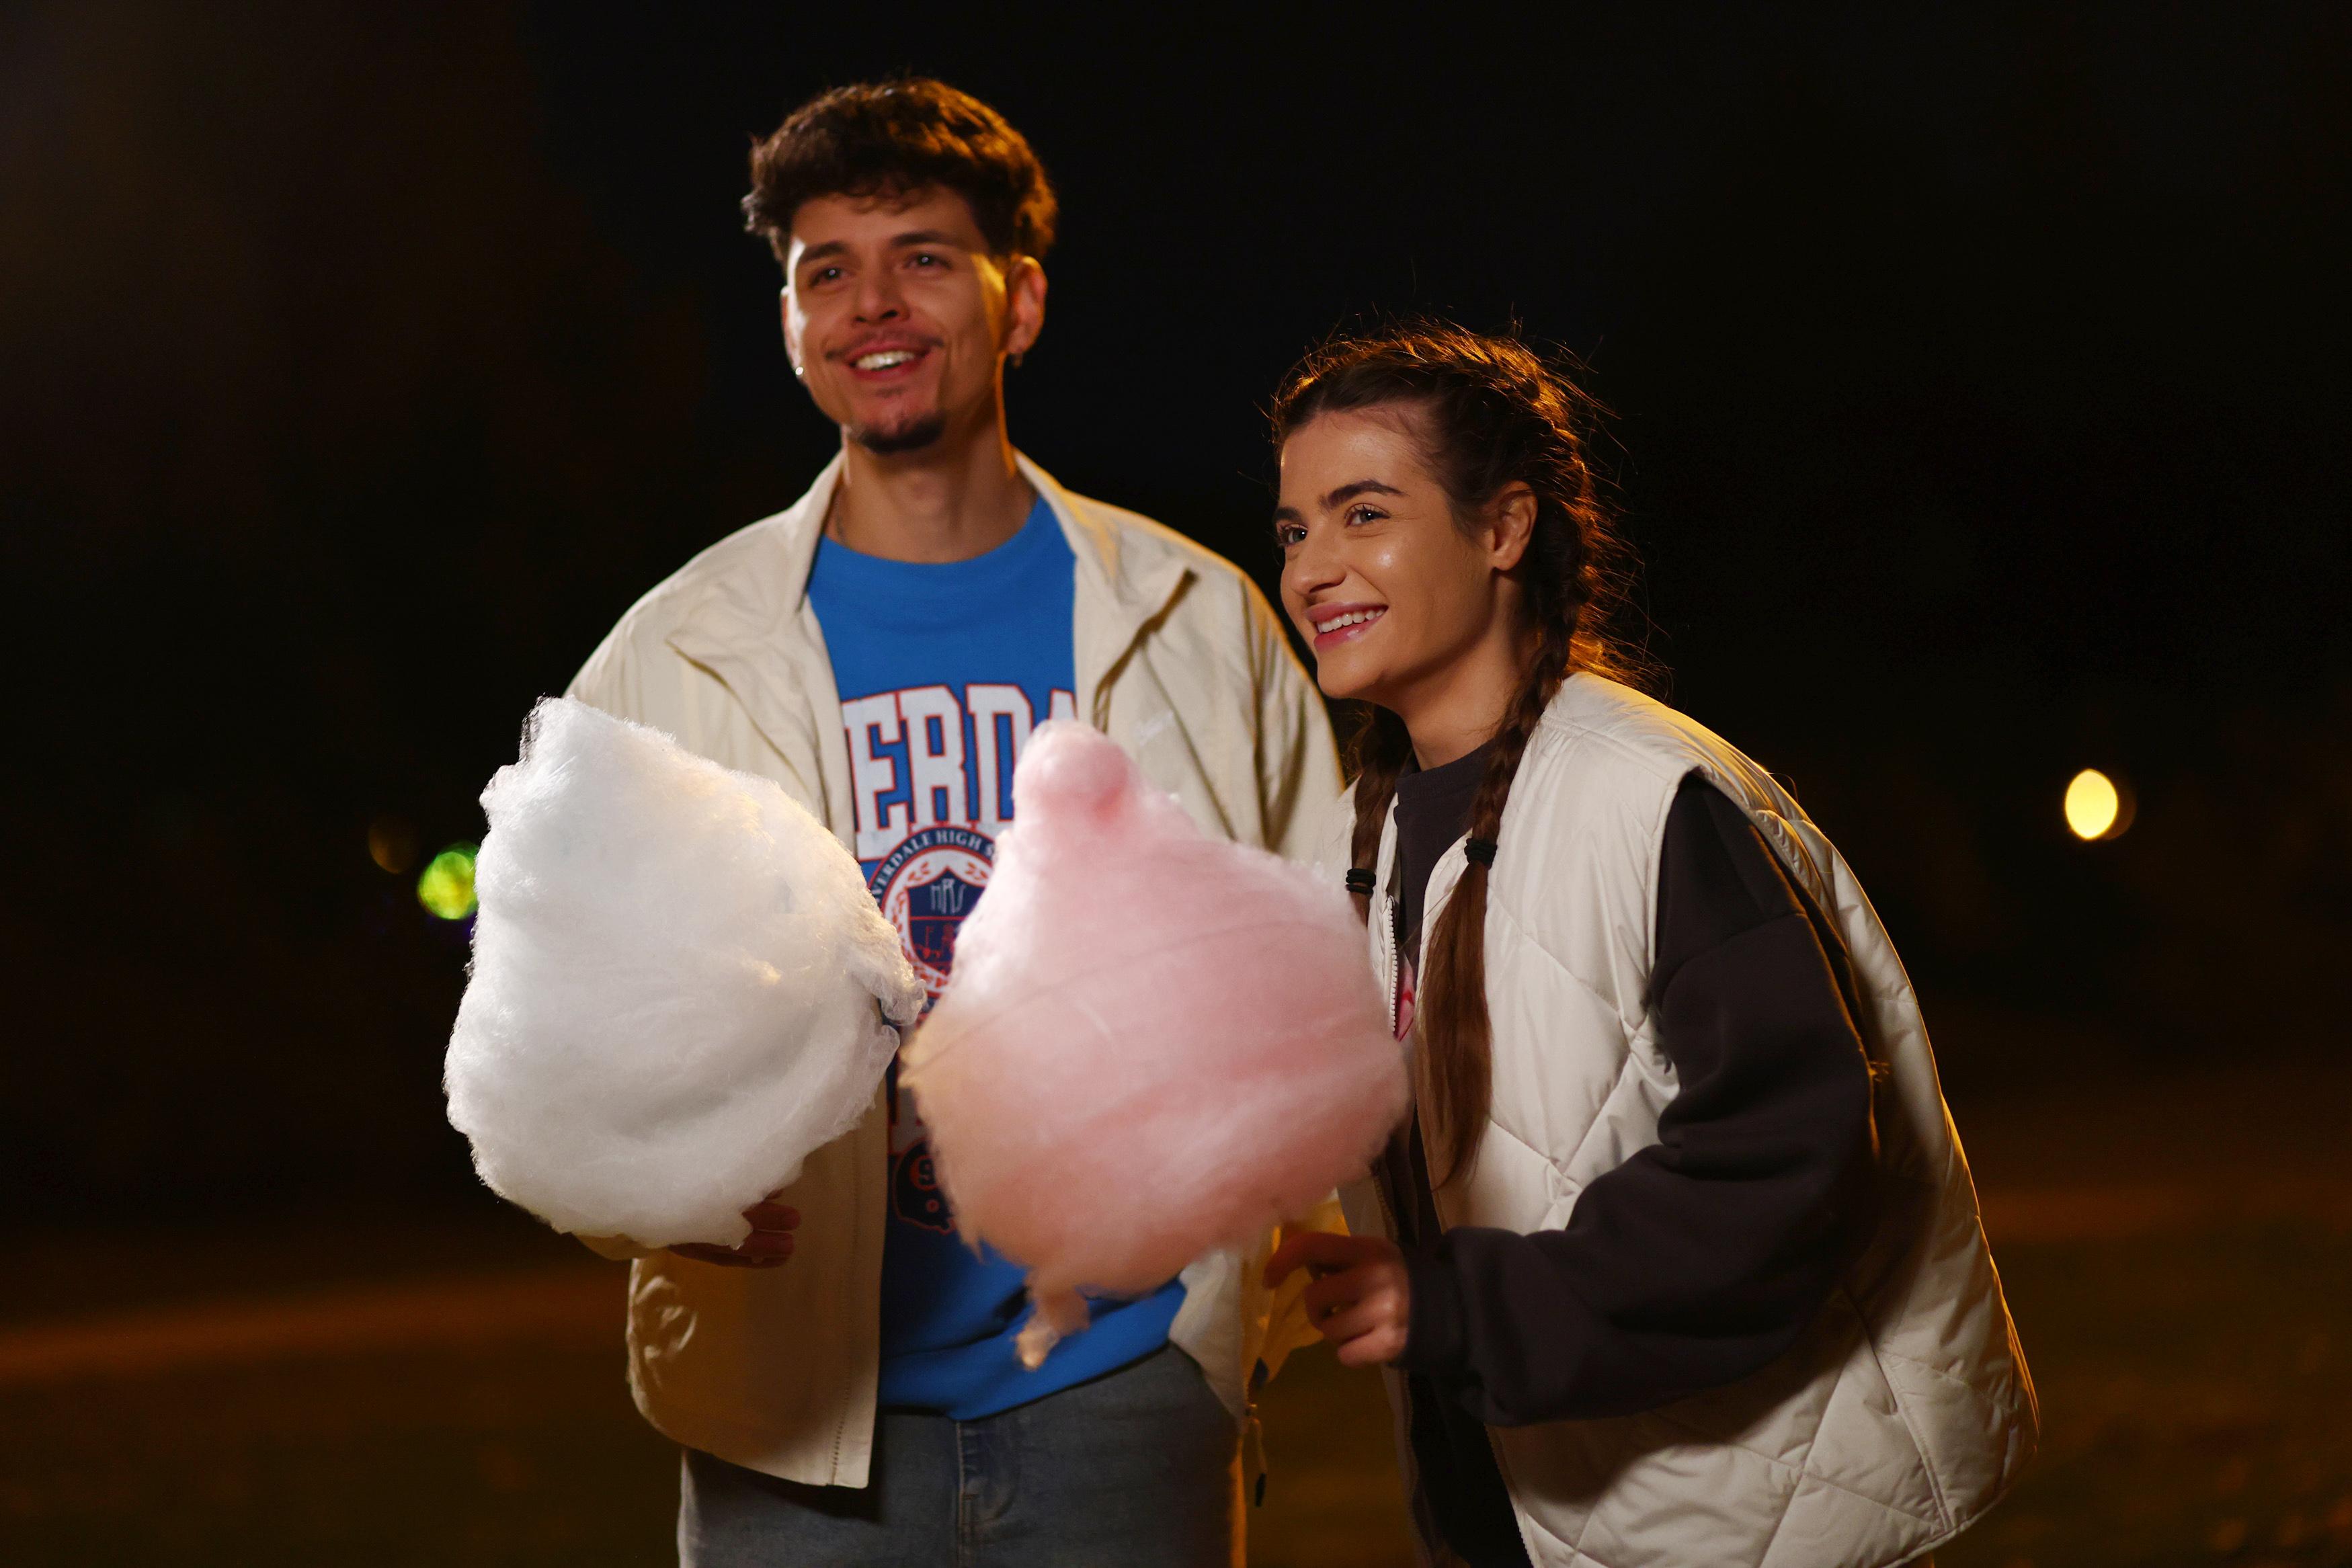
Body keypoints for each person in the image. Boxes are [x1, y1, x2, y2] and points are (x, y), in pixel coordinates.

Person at [567, 78, 1336, 1566]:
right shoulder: (676, 653)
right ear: (791, 323)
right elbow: (563, 1010)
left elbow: (1329, 951)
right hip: (792, 1409)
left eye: (922, 256)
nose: (873, 303)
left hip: (1124, 1385)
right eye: (827, 270)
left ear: (1019, 301)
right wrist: (644, 1193)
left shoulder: (1192, 620)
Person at [1261, 322, 2037, 1568]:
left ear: (1504, 527)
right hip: (1509, 1514)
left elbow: (1785, 1159)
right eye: (1295, 529)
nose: (1311, 568)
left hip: (1746, 1520)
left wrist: (1460, 1304)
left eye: (1364, 513)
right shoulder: (1356, 838)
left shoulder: (1650, 796)